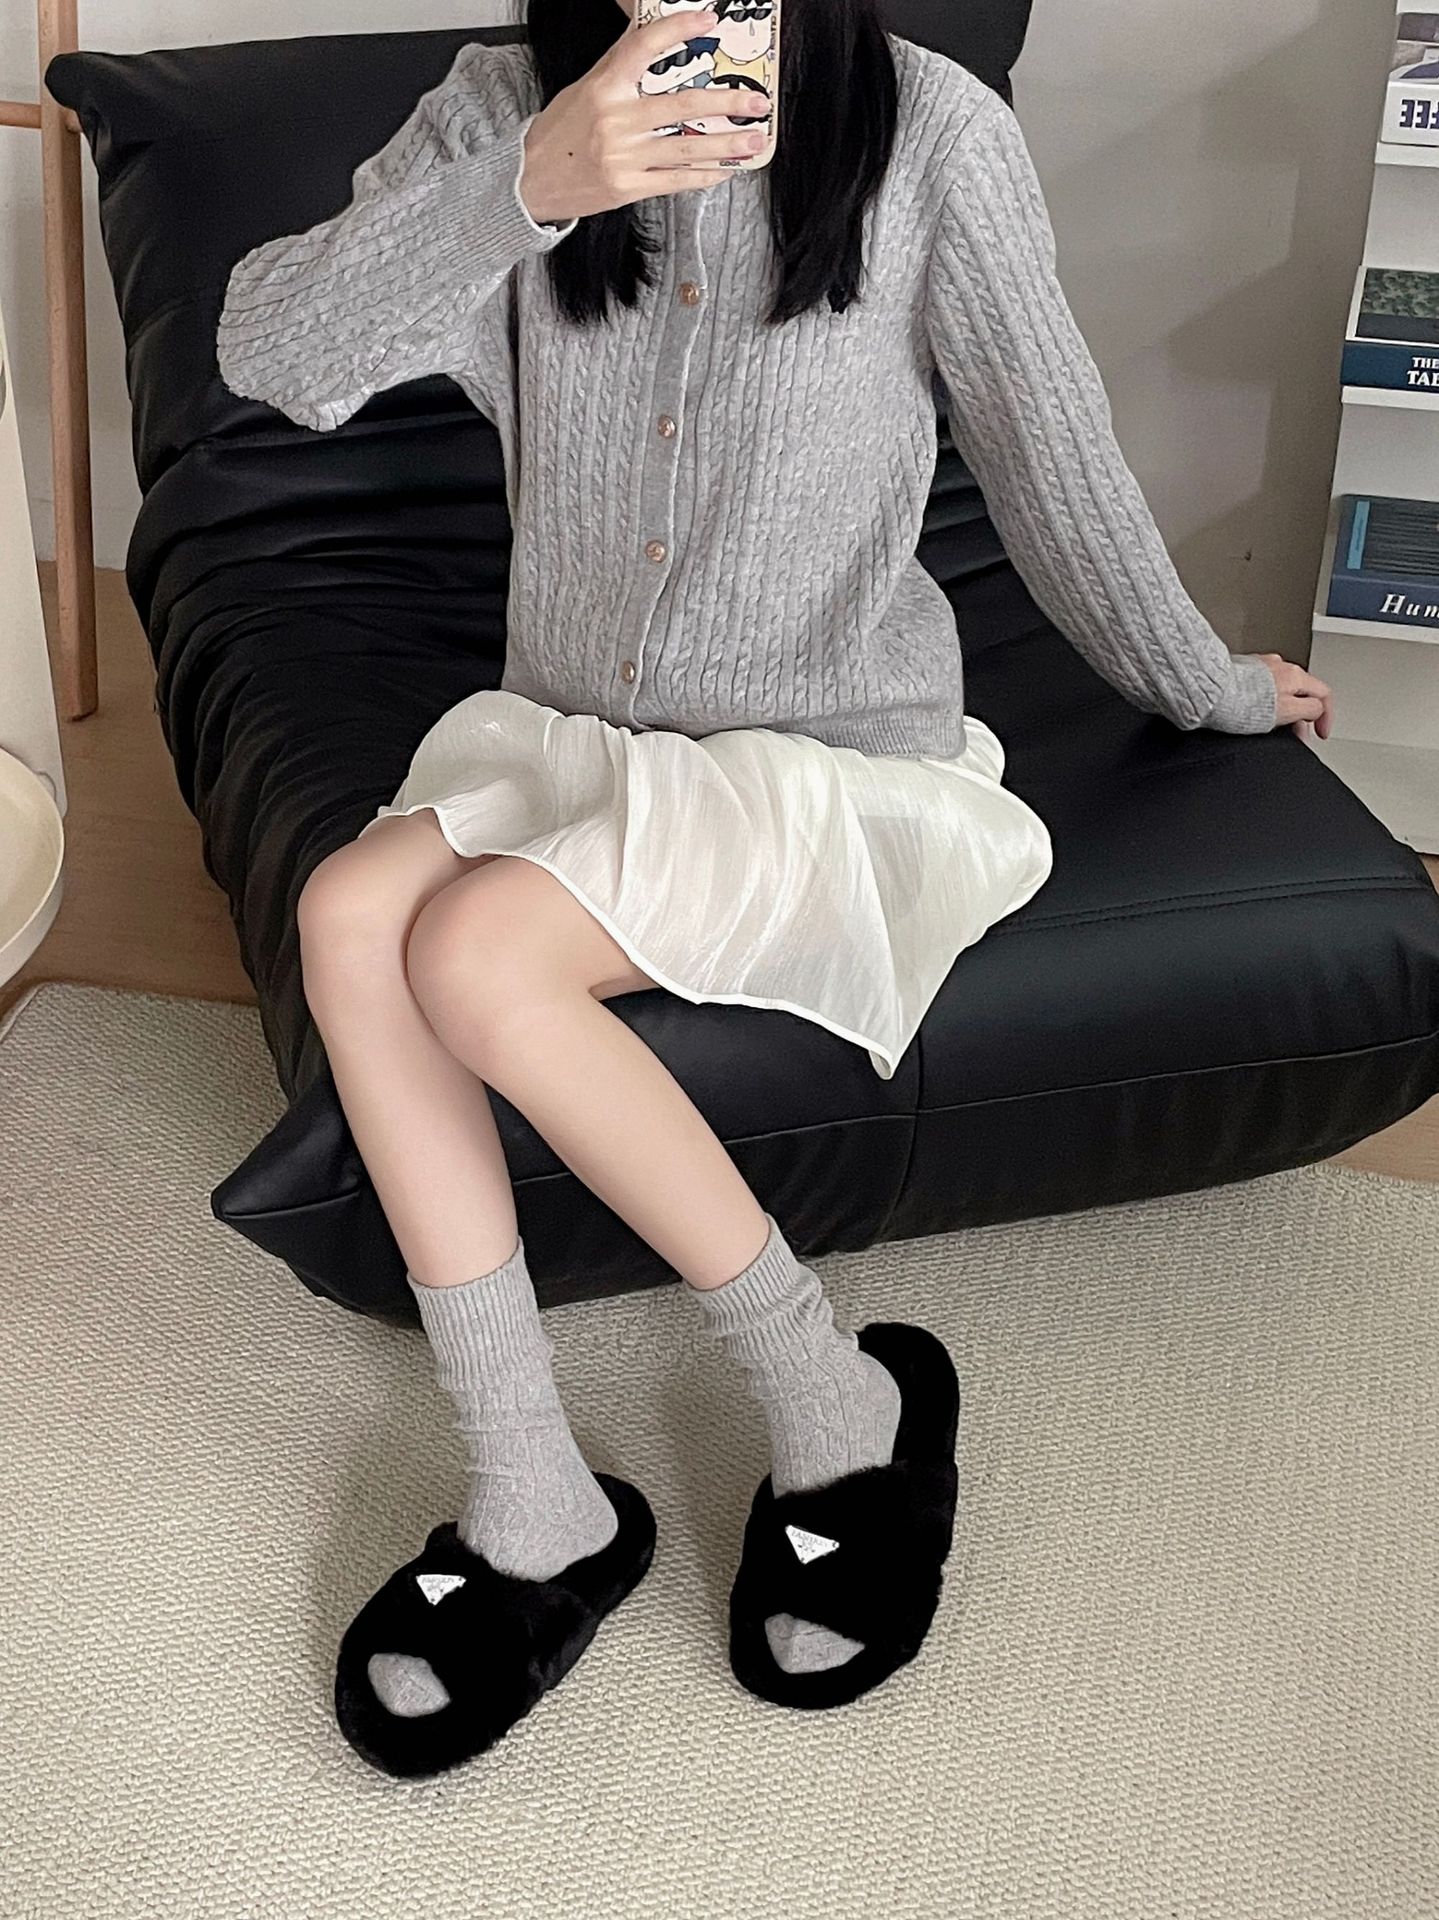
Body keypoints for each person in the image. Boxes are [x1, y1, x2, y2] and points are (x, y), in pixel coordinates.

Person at [214, 0, 1334, 1777]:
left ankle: (838, 1401)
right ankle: (533, 1497)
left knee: (479, 958)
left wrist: (1209, 685)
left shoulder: (933, 136)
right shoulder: (509, 108)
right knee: (350, 915)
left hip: (826, 762)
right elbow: (272, 350)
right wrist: (532, 183)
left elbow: (1055, 462)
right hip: (580, 741)